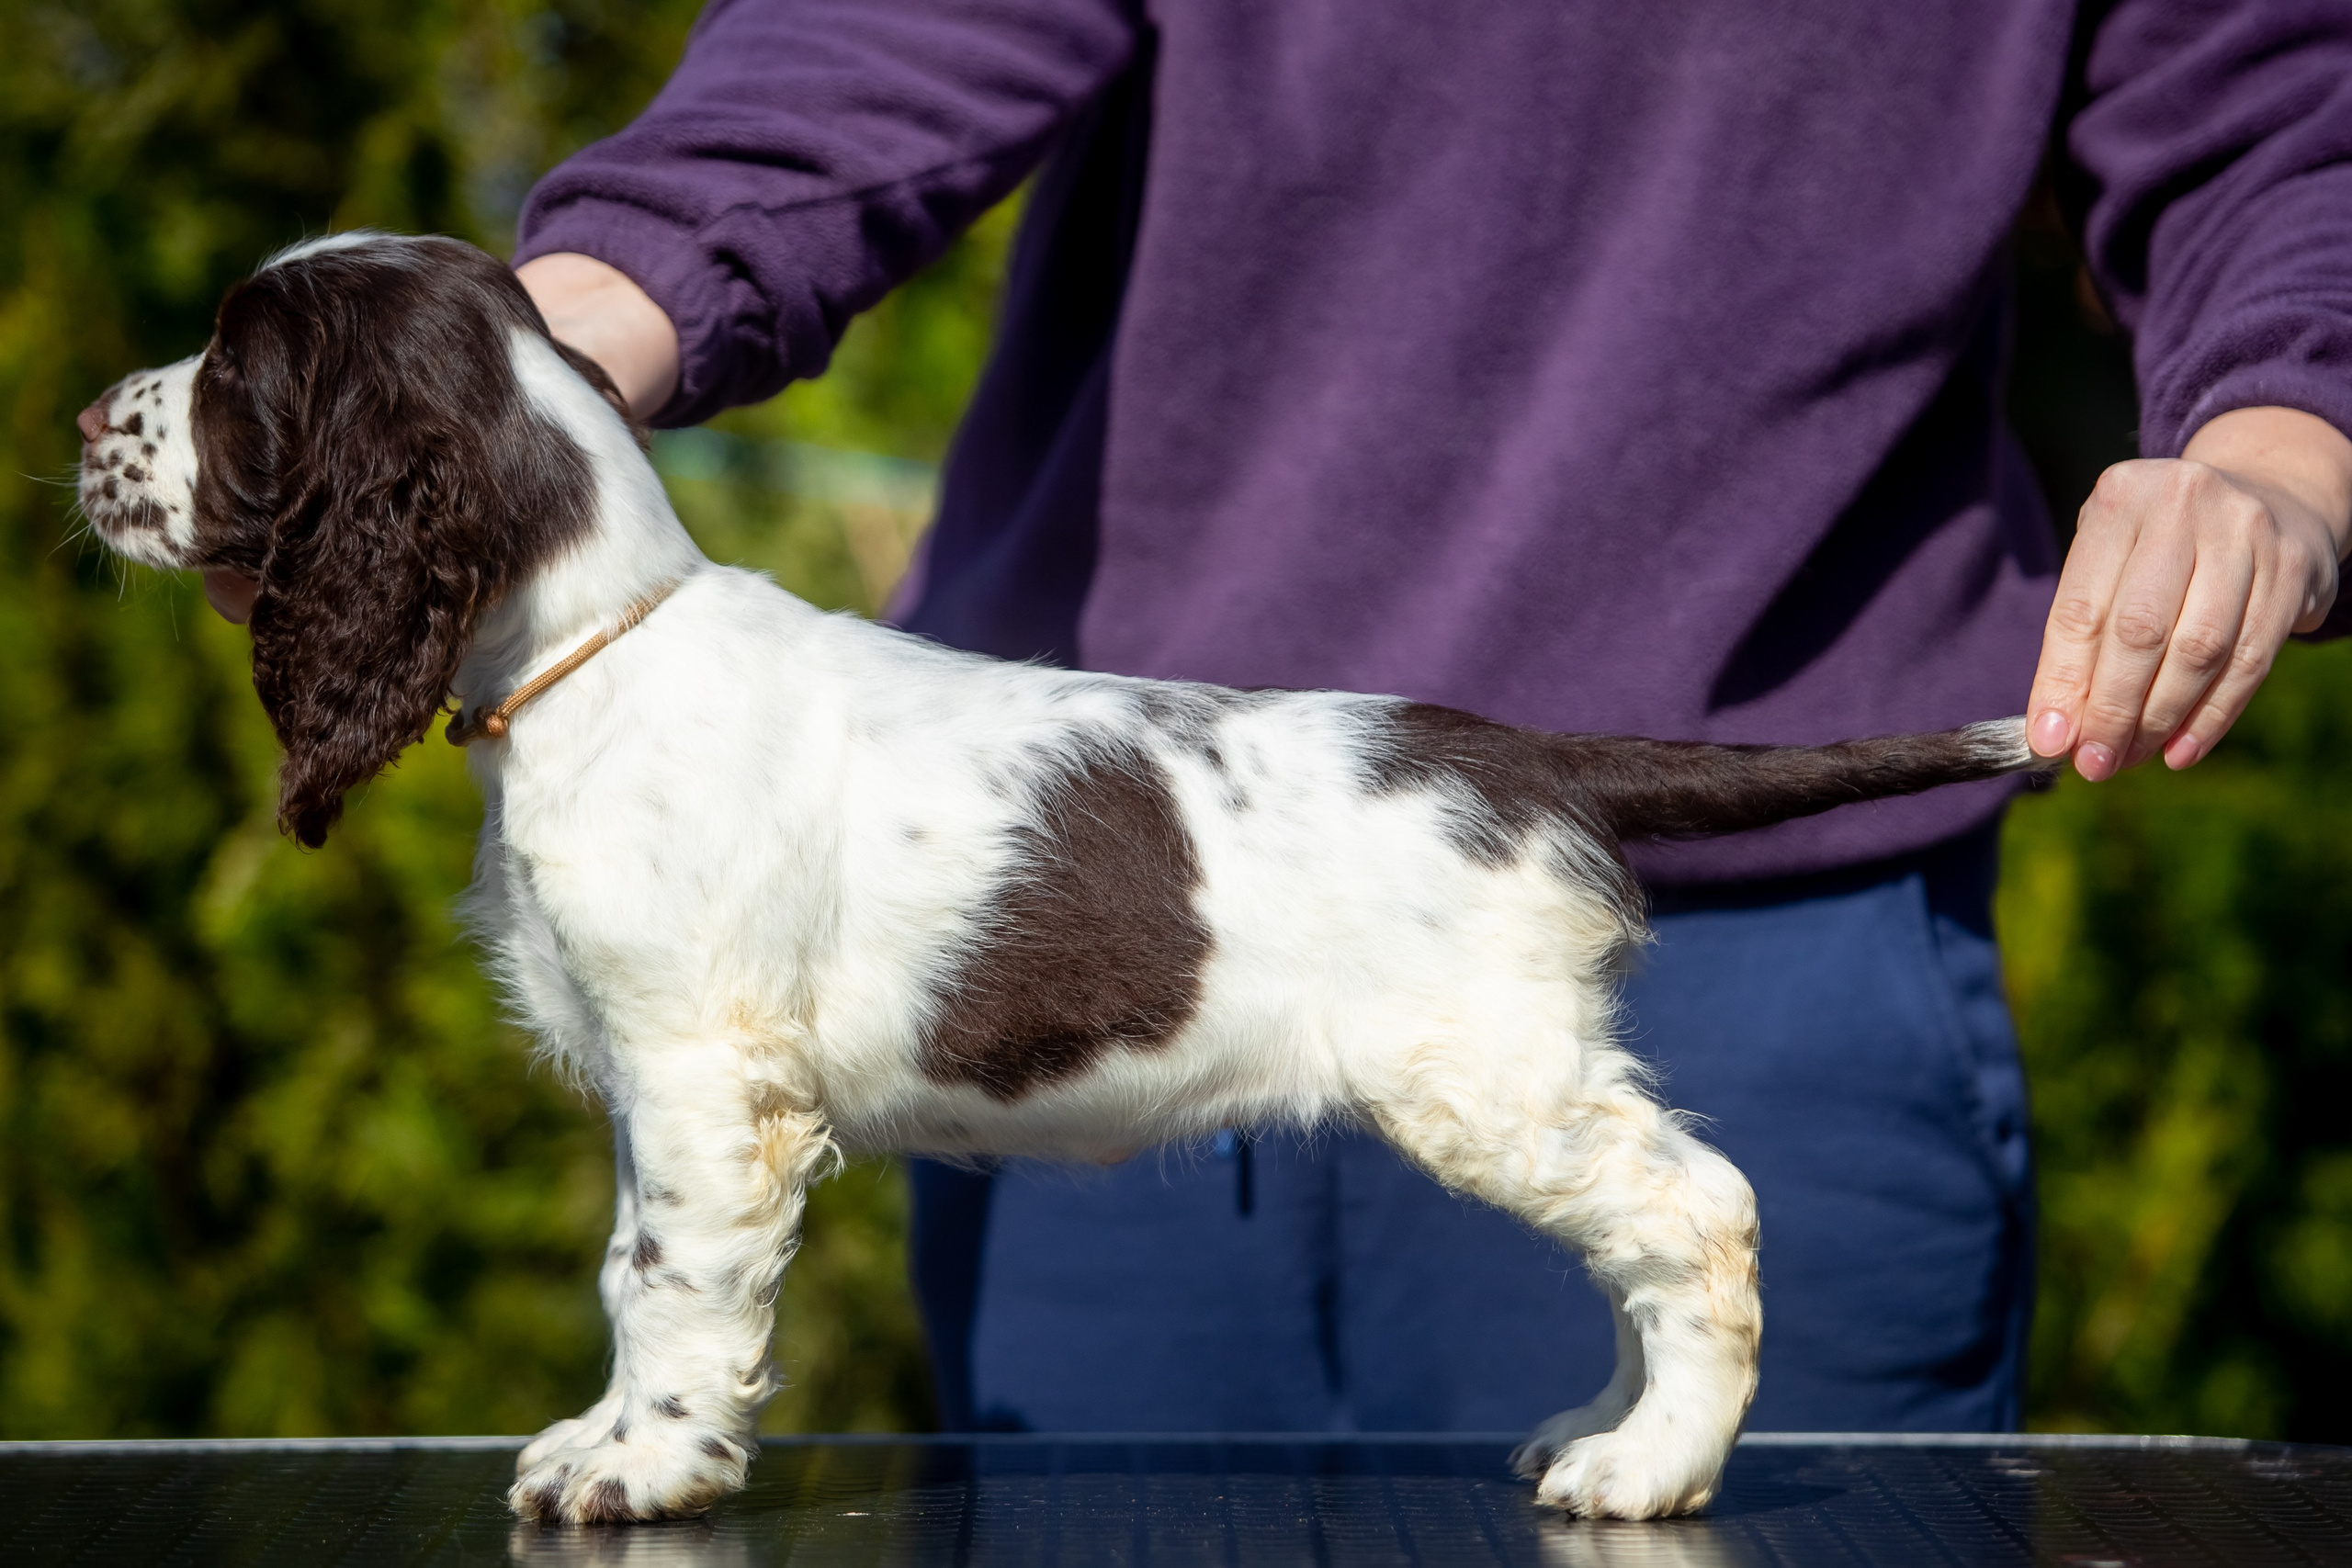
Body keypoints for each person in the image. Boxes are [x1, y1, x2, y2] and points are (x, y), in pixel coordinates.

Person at [266, 0, 2352, 1435]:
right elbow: (878, 35)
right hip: (1063, 920)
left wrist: (2279, 447)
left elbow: (2280, 106)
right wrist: (514, 376)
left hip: (1747, 946)